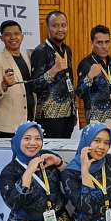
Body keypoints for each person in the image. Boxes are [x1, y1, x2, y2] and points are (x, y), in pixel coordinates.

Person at [30, 10, 77, 138]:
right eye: (55, 25)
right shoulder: (41, 51)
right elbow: (34, 86)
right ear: (47, 27)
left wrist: (73, 110)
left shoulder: (67, 50)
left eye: (63, 25)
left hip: (68, 115)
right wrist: (54, 70)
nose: (60, 29)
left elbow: (69, 81)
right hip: (49, 116)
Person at [0, 20, 35, 138]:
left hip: (29, 121)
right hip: (8, 126)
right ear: (1, 38)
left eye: (16, 34)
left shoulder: (27, 58)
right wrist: (4, 84)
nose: (13, 37)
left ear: (22, 36)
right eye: (8, 34)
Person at [75, 25, 111, 124]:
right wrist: (89, 76)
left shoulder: (110, 61)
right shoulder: (86, 63)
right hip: (95, 119)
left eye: (107, 42)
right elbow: (80, 93)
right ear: (92, 44)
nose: (104, 46)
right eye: (100, 42)